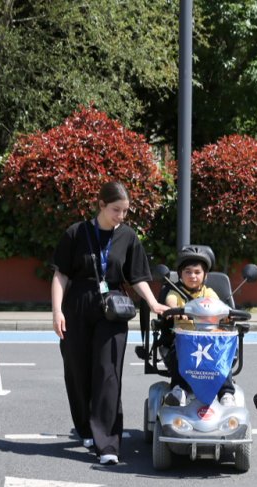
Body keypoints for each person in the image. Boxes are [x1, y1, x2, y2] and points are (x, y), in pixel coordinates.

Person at [51, 181, 168, 466]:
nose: (121, 216)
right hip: (77, 304)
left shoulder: (128, 236)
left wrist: (153, 304)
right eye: (116, 210)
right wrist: (57, 310)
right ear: (101, 205)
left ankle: (108, 444)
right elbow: (61, 275)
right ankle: (85, 427)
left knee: (107, 373)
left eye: (125, 211)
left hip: (113, 307)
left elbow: (137, 276)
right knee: (77, 370)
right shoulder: (76, 233)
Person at [162, 245, 236, 407]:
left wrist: (228, 315)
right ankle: (179, 389)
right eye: (188, 272)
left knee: (223, 356)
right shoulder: (175, 292)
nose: (193, 276)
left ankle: (226, 393)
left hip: (209, 339)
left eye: (197, 272)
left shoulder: (208, 293)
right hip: (184, 340)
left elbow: (220, 307)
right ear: (180, 274)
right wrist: (174, 310)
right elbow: (170, 302)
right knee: (179, 353)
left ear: (205, 275)